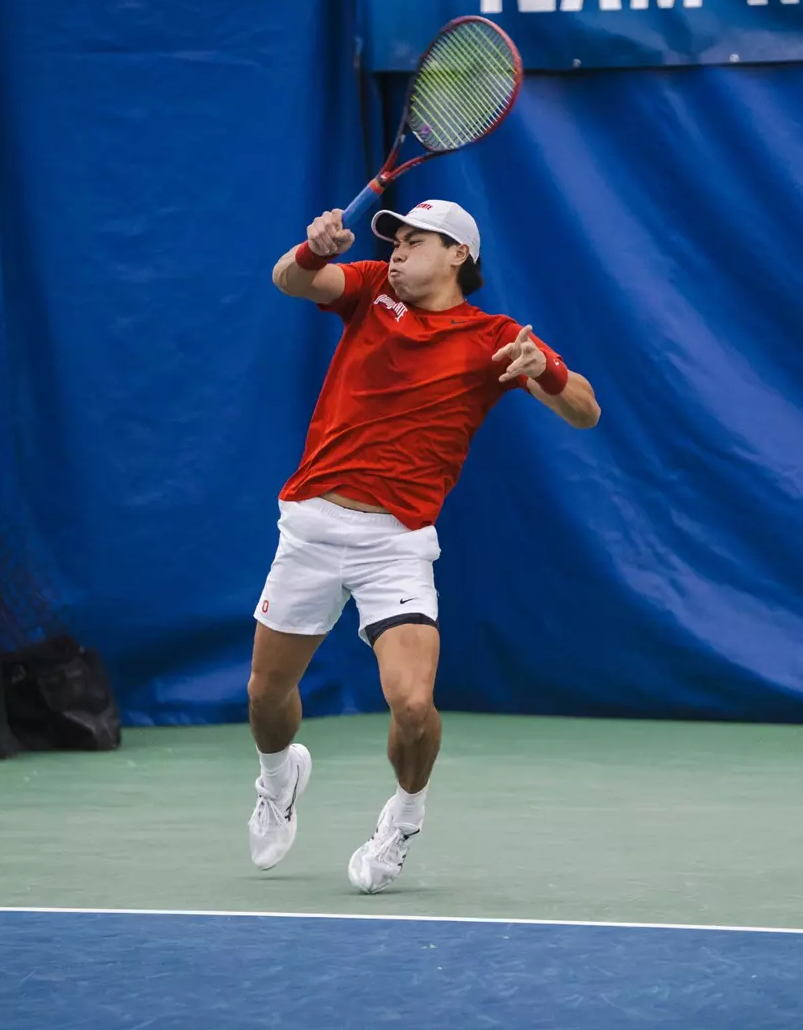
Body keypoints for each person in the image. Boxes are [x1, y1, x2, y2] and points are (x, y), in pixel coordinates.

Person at [245, 198, 600, 893]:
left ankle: (404, 817)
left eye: (415, 241)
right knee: (265, 696)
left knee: (412, 705)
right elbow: (291, 280)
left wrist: (546, 370)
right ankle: (277, 777)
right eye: (396, 242)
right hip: (311, 526)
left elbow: (585, 411)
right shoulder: (370, 288)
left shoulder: (497, 338)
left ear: (459, 254)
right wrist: (314, 248)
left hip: (396, 545)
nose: (398, 253)